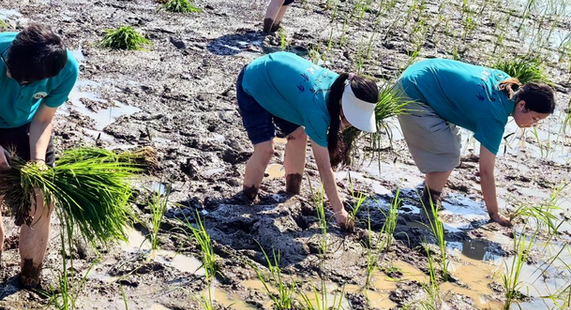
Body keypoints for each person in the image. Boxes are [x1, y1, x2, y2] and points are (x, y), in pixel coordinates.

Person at [0, 24, 79, 288]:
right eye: (9, 69)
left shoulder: (65, 70)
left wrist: (38, 161)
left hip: (29, 125)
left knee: (41, 201)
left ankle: (30, 277)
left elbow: (44, 118)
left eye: (21, 80)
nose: (9, 74)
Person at [396, 58, 555, 226]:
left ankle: (432, 183)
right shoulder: (494, 115)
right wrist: (494, 214)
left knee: (452, 144)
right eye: (534, 118)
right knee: (447, 156)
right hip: (412, 92)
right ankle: (428, 203)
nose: (532, 125)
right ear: (522, 105)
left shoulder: (507, 84)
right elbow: (486, 172)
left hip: (420, 72)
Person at [237, 52, 379, 231]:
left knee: (299, 135)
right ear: (344, 104)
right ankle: (246, 199)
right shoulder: (317, 110)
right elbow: (324, 168)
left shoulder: (339, 87)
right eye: (354, 118)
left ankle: (291, 193)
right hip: (255, 83)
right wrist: (339, 211)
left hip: (285, 90)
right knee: (265, 149)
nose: (352, 124)